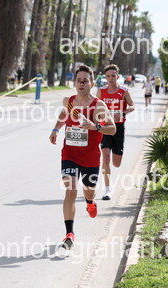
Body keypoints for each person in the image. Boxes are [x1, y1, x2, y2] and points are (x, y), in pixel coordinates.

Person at [49, 64, 116, 249]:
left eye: (85, 81)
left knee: (89, 191)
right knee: (70, 189)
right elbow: (64, 114)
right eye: (78, 80)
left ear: (91, 84)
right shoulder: (69, 101)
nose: (81, 83)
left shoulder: (98, 105)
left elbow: (112, 128)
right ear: (75, 83)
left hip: (90, 157)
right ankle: (69, 234)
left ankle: (90, 202)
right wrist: (56, 129)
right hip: (69, 153)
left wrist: (95, 126)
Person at [98, 64, 135, 200]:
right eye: (108, 76)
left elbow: (132, 106)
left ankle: (109, 184)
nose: (111, 78)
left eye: (113, 76)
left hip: (118, 128)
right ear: (105, 77)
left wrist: (123, 113)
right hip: (105, 127)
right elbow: (95, 107)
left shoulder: (124, 91)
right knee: (105, 158)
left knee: (116, 163)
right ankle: (107, 189)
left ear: (117, 77)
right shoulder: (101, 91)